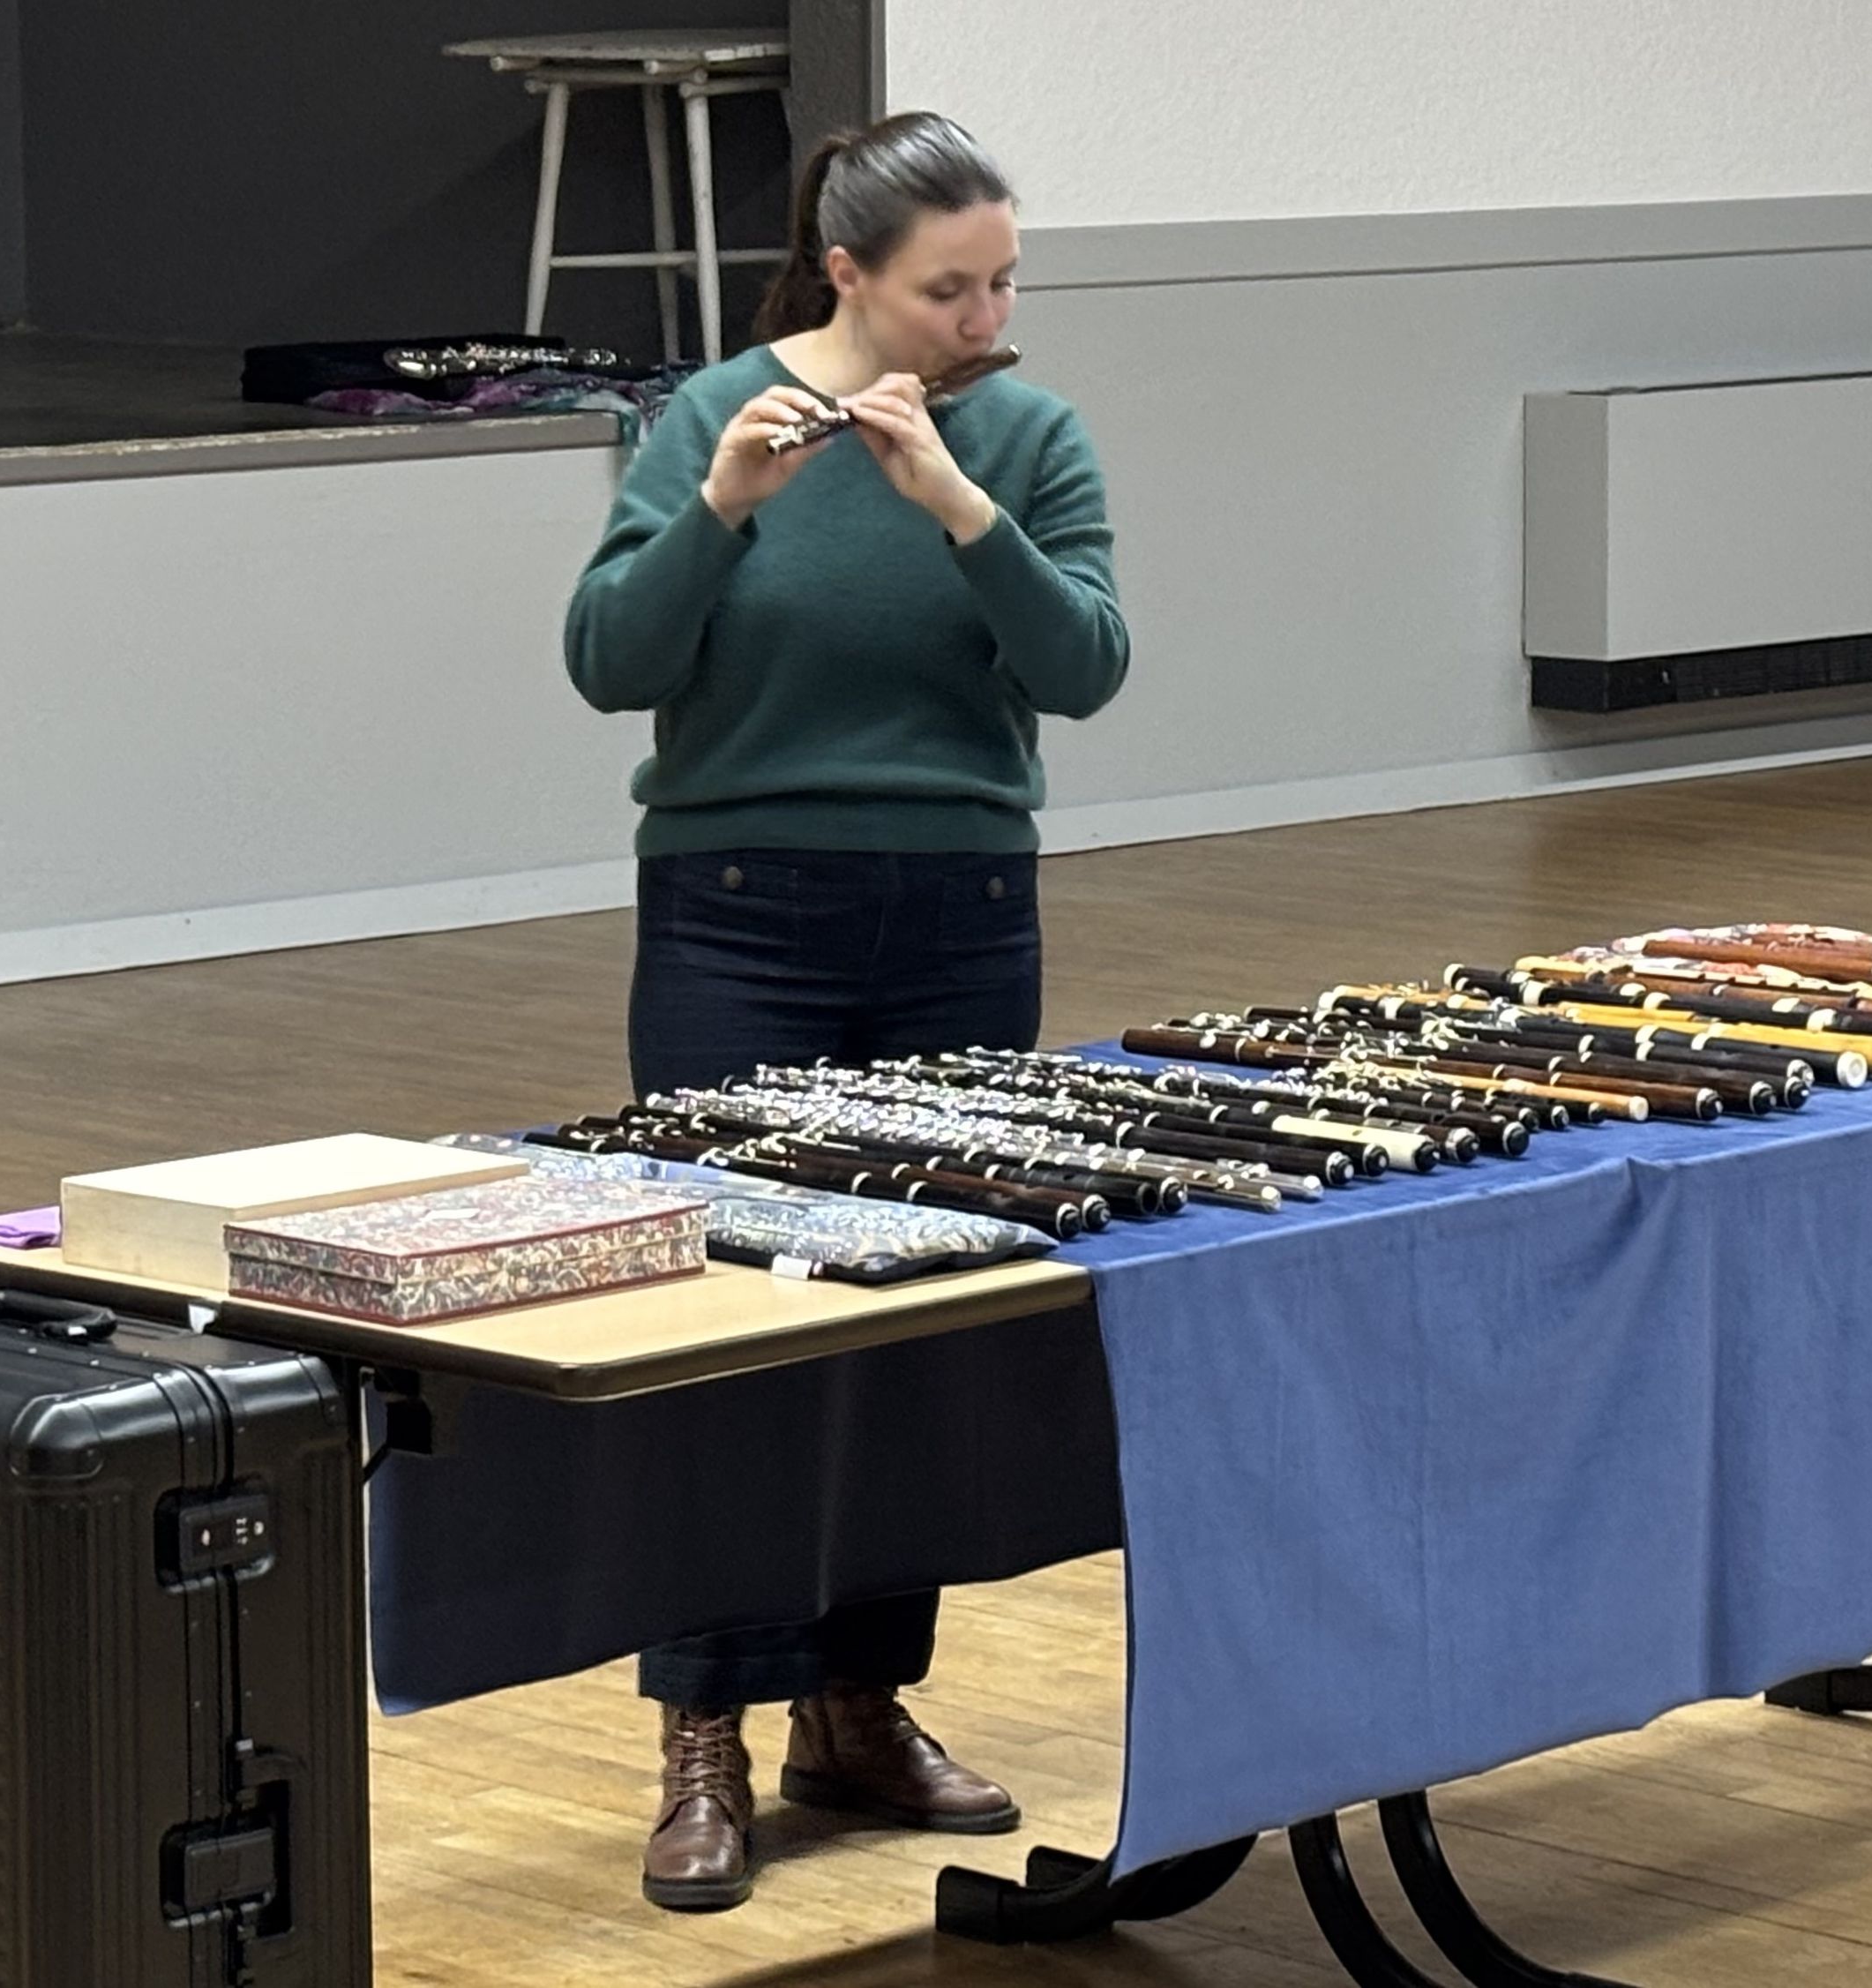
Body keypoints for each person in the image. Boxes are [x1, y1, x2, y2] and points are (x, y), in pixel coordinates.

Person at [562, 109, 1129, 1912]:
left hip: (961, 915)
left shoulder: (1026, 435)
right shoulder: (710, 417)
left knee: (912, 1325)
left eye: (1004, 282)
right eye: (950, 289)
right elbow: (610, 660)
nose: (987, 317)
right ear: (848, 276)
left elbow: (1085, 666)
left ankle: (858, 1703)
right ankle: (703, 1729)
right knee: (734, 1324)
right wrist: (721, 510)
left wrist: (958, 506)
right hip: (739, 914)